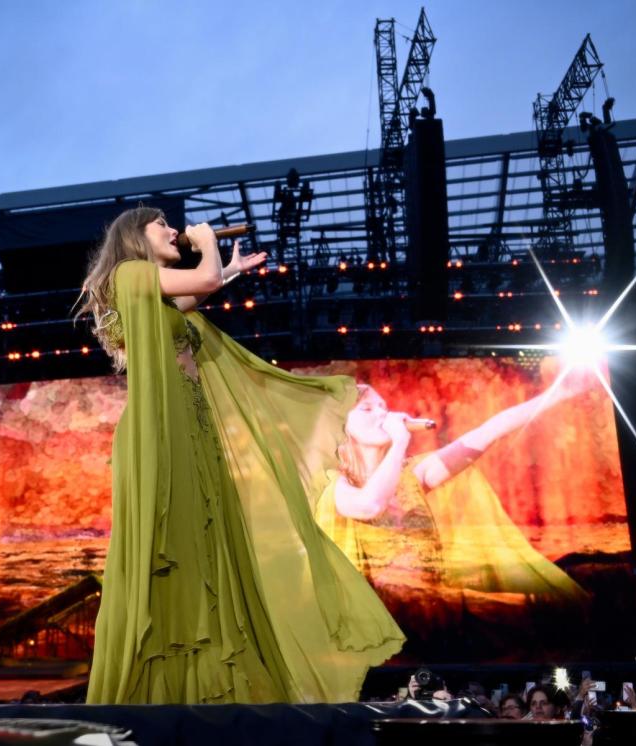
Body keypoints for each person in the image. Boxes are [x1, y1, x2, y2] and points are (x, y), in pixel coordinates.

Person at [77, 207, 405, 704]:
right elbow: (200, 278)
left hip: (189, 429)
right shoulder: (130, 273)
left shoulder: (148, 288)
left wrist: (226, 271)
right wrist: (207, 244)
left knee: (204, 548)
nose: (172, 229)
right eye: (161, 223)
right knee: (174, 545)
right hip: (161, 431)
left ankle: (192, 689)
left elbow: (192, 294)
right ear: (134, 235)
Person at [315, 377, 592, 604]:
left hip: (436, 605)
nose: (382, 414)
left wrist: (561, 391)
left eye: (383, 407)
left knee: (556, 600)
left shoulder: (414, 475)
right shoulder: (337, 487)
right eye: (366, 409)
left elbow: (488, 431)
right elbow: (370, 505)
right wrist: (399, 442)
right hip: (388, 618)